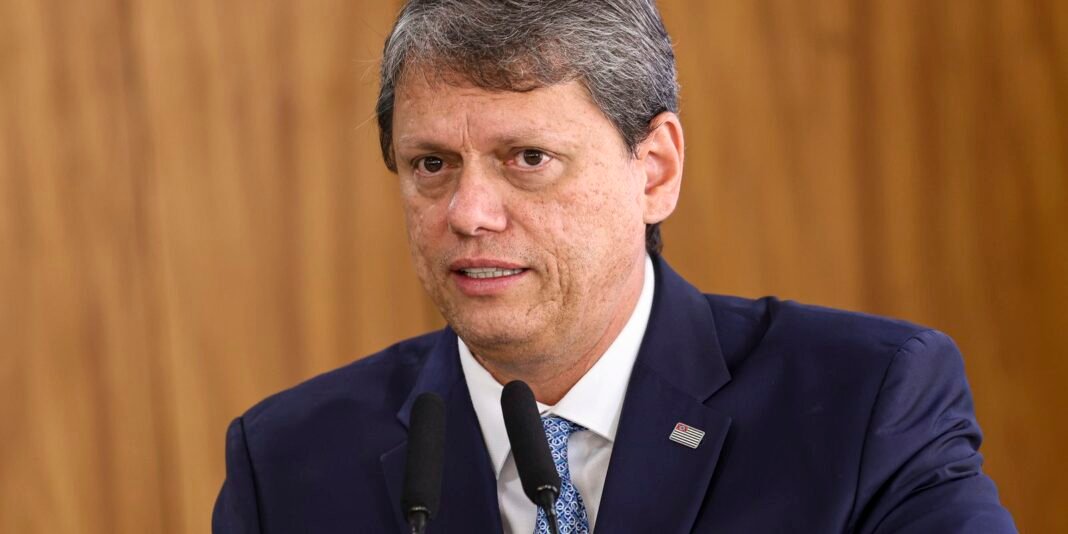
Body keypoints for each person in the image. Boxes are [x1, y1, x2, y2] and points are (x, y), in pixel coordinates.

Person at [213, 1, 1016, 532]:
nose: (468, 212)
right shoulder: (288, 466)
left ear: (655, 171)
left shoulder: (863, 405)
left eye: (528, 158)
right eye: (431, 164)